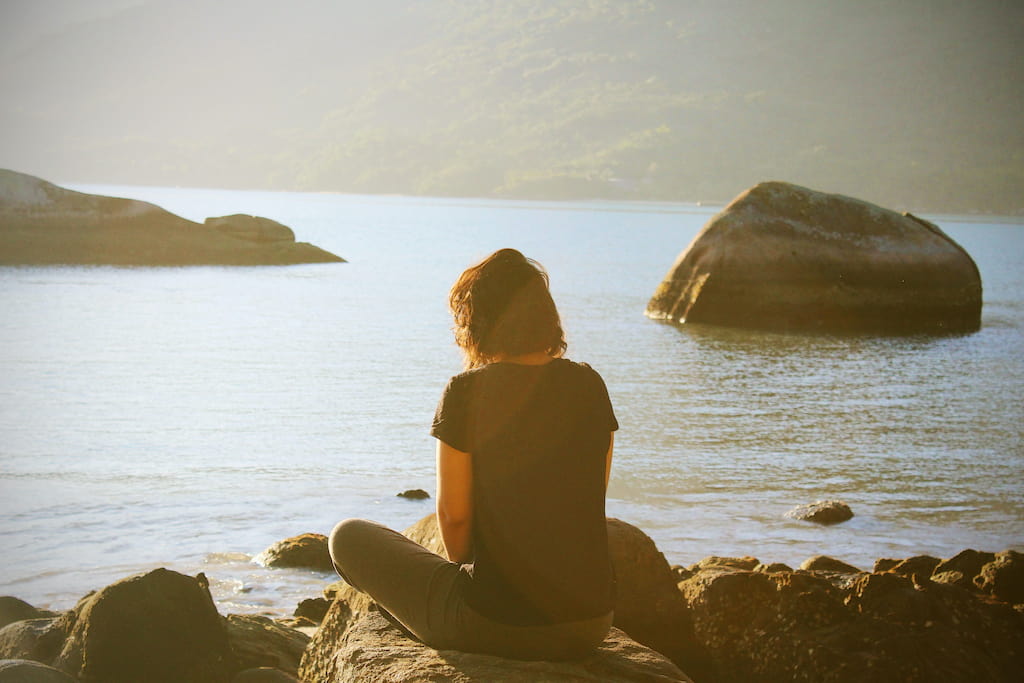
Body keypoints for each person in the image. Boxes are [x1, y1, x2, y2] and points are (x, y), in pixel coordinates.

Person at [328, 247, 618, 661]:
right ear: (546, 315)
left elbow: (459, 542)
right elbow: (592, 494)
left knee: (346, 537)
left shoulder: (465, 393)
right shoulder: (591, 385)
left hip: (498, 624)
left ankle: (433, 631)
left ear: (475, 321)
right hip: (591, 624)